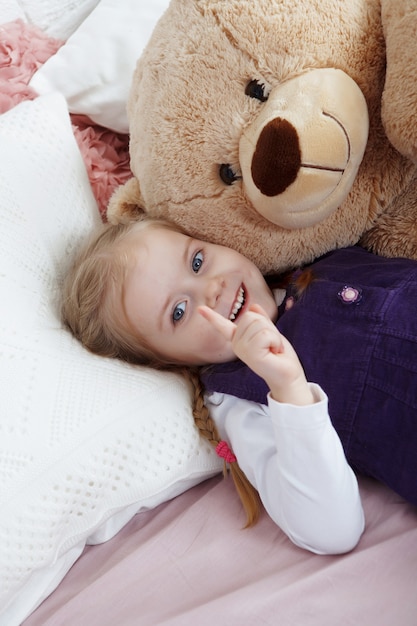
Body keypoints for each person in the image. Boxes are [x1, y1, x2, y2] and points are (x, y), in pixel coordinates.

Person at [63, 215, 417, 555]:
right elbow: (332, 530)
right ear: (166, 361)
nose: (211, 290)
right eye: (179, 312)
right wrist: (289, 387)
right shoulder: (238, 400)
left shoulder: (309, 250)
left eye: (198, 261)